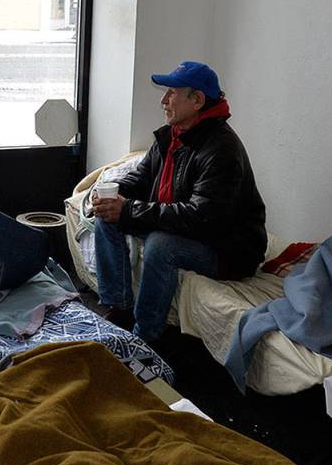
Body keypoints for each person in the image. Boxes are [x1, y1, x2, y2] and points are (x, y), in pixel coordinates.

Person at [92, 61, 266, 343]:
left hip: (227, 247)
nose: (163, 100)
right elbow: (142, 177)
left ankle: (145, 336)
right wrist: (110, 193)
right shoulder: (171, 136)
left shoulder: (221, 149)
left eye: (171, 93)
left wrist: (129, 210)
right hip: (183, 225)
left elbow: (202, 217)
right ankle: (119, 307)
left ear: (196, 100)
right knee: (106, 216)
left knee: (161, 246)